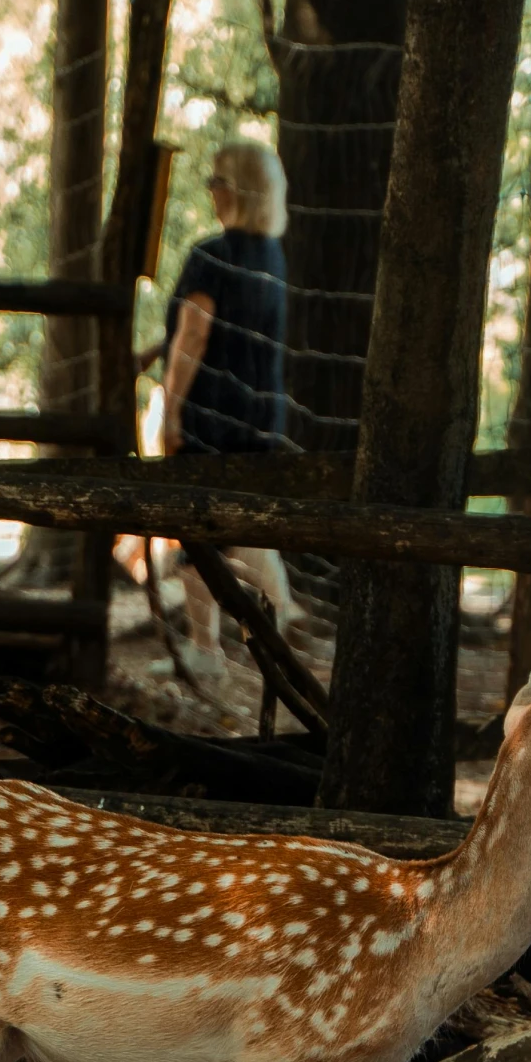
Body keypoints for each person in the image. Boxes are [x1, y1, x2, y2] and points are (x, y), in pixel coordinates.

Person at [160, 140, 295, 681]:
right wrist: (155, 349)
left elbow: (194, 336)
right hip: (261, 418)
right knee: (250, 531)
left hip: (209, 417)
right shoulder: (273, 257)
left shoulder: (210, 256)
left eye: (215, 181)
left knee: (199, 535)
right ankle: (281, 627)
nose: (211, 192)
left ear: (234, 190)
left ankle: (205, 650)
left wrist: (170, 411)